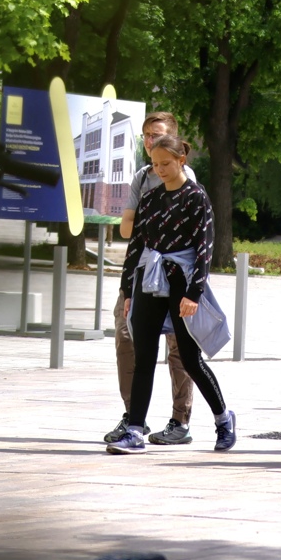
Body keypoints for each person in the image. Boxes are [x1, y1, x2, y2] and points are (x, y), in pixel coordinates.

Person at [109, 135, 236, 454]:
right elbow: (136, 245)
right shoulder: (150, 199)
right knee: (144, 357)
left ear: (182, 160)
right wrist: (127, 289)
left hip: (182, 281)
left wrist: (193, 293)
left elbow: (204, 249)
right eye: (155, 164)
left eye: (165, 163)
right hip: (149, 280)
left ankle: (223, 420)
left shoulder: (196, 197)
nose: (160, 169)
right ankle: (135, 430)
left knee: (190, 359)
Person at [108, 111, 196, 448]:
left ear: (173, 141)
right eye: (146, 135)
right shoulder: (142, 177)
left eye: (156, 134)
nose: (149, 141)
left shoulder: (187, 179)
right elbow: (126, 229)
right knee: (125, 338)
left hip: (174, 276)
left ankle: (180, 420)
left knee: (179, 348)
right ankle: (134, 417)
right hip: (140, 271)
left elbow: (190, 234)